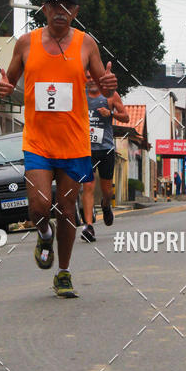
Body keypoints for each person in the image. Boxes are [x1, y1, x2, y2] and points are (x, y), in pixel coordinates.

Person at [0, 0, 117, 297]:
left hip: (75, 142)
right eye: (53, 6)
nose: (60, 12)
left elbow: (103, 88)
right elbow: (9, 80)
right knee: (39, 206)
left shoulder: (86, 44)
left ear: (75, 12)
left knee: (67, 208)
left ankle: (63, 272)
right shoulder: (25, 43)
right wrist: (5, 88)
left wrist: (107, 85)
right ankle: (43, 232)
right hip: (37, 140)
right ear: (44, 9)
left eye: (67, 7)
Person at [81, 70, 129, 242]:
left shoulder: (111, 95)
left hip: (106, 148)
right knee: (88, 185)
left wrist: (111, 114)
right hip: (85, 149)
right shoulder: (79, 94)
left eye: (93, 77)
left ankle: (106, 205)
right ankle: (88, 226)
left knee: (107, 191)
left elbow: (126, 117)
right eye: (87, 77)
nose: (90, 80)